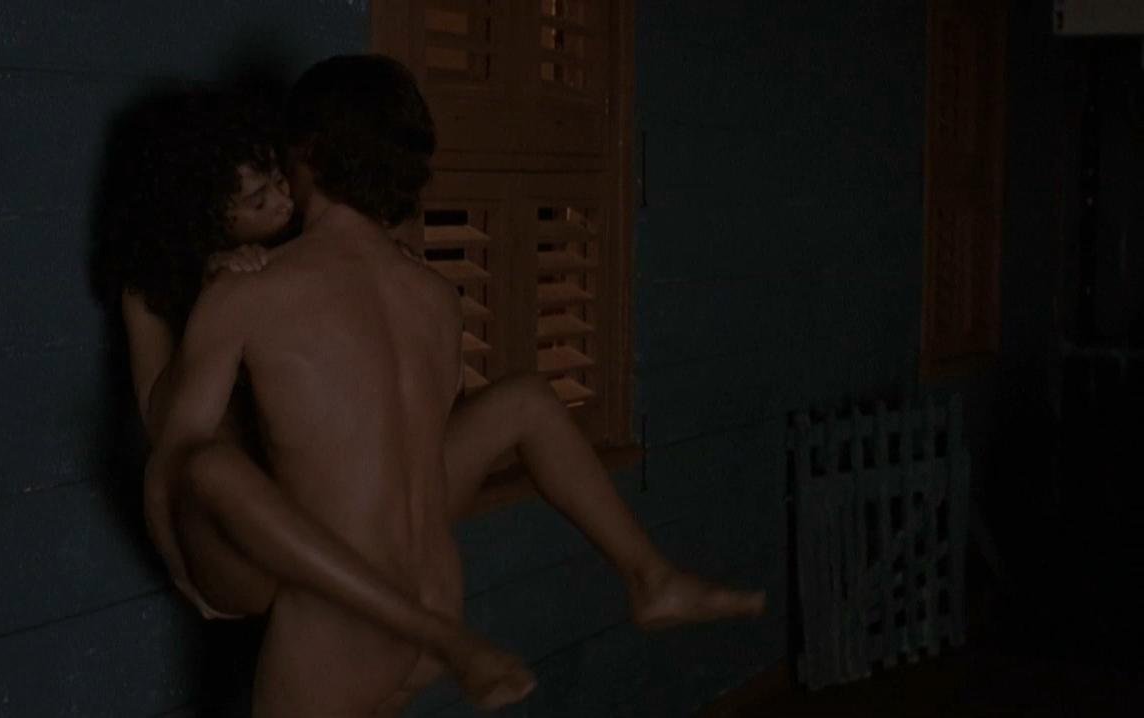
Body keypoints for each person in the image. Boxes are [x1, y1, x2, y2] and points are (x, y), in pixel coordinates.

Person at [140, 55, 764, 716]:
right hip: (437, 593)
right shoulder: (435, 296)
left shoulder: (248, 293)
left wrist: (187, 577)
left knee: (201, 462)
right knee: (523, 398)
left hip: (347, 624)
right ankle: (649, 574)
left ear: (308, 152)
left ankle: (638, 581)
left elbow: (172, 466)